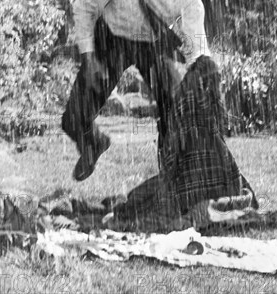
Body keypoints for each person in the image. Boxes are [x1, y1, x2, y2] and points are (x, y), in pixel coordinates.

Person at [62, 0, 211, 181]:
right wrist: (89, 58)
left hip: (152, 45)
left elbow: (197, 46)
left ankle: (171, 177)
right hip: (111, 39)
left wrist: (199, 80)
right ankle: (93, 143)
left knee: (176, 110)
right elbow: (83, 9)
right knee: (73, 117)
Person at [111, 55, 258, 232]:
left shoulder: (182, 107)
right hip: (221, 184)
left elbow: (171, 159)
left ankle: (128, 207)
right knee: (146, 196)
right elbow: (228, 158)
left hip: (188, 189)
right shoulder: (211, 114)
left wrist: (168, 178)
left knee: (143, 201)